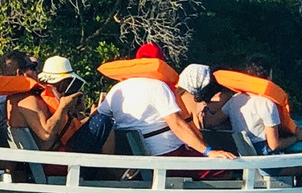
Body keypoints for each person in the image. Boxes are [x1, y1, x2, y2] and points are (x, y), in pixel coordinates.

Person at [97, 45, 235, 162]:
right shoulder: (158, 86)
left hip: (134, 158)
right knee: (222, 170)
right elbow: (176, 124)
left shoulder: (117, 89)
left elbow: (98, 116)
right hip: (166, 155)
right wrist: (208, 151)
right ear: (160, 63)